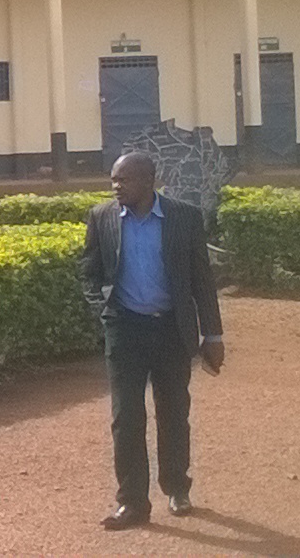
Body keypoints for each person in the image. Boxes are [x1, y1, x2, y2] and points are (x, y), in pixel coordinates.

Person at [80, 151, 225, 531]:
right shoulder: (102, 217)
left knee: (173, 411)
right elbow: (89, 270)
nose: (115, 186)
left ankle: (177, 486)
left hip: (172, 331)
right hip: (125, 329)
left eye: (123, 179)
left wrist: (213, 334)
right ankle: (131, 503)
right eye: (113, 179)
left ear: (148, 181)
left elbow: (201, 280)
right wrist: (103, 309)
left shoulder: (184, 217)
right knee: (125, 416)